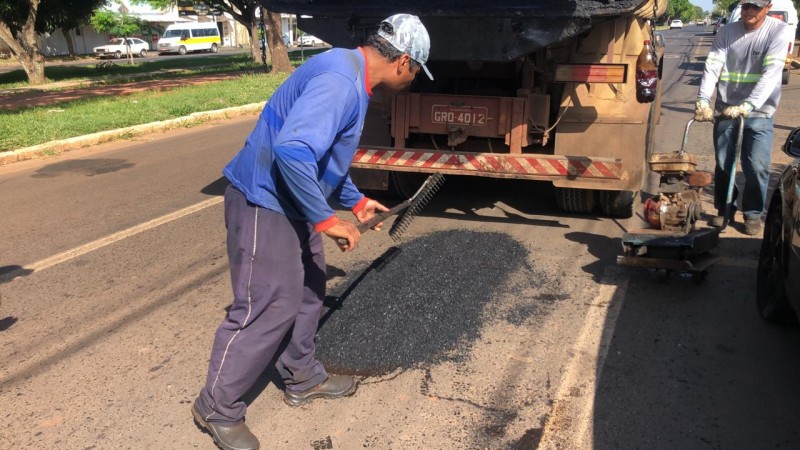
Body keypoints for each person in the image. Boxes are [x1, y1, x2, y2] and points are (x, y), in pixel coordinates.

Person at [189, 13, 433, 450]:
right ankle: (216, 406)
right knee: (265, 307)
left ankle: (301, 378)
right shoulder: (341, 82)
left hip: (291, 202)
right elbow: (294, 150)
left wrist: (356, 202)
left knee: (308, 289)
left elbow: (323, 160)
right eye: (416, 73)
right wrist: (327, 220)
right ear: (403, 64)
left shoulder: (350, 75)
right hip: (265, 202)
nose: (412, 81)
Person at [694, 0, 791, 235]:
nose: (749, 11)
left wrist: (749, 104)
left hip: (759, 111)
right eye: (746, 6)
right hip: (727, 107)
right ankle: (724, 210)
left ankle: (753, 213)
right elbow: (713, 66)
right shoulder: (727, 32)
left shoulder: (777, 31)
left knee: (756, 166)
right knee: (724, 164)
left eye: (755, 7)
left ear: (767, 7)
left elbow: (771, 74)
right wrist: (703, 100)